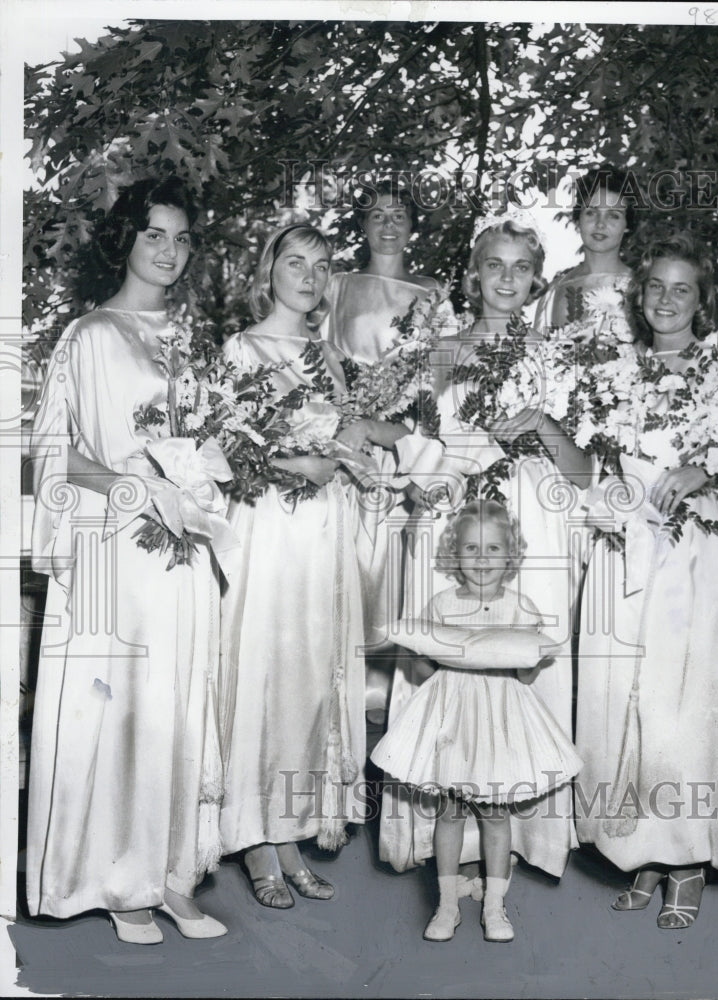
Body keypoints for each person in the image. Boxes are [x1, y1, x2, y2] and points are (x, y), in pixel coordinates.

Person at [27, 177, 227, 944]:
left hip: (184, 552)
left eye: (182, 238)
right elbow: (56, 452)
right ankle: (120, 880)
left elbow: (213, 440)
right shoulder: (90, 335)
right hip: (118, 545)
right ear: (127, 239)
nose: (170, 251)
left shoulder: (190, 340)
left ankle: (172, 872)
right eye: (156, 235)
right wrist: (138, 490)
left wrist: (205, 478)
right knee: (123, 704)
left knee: (176, 703)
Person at [380, 209, 589, 886]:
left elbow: (583, 473)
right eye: (493, 265)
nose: (506, 279)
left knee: (521, 667)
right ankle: (446, 840)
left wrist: (544, 425)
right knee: (449, 669)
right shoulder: (437, 353)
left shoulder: (555, 356)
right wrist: (430, 475)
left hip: (531, 517)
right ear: (473, 275)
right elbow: (407, 449)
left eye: (521, 268)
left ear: (536, 282)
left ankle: (525, 836)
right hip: (453, 522)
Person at [575, 233, 718, 929]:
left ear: (702, 300)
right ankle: (640, 853)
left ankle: (685, 861)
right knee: (623, 703)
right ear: (638, 293)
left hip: (690, 562)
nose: (664, 298)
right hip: (626, 555)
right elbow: (596, 469)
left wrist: (702, 471)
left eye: (680, 288)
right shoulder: (612, 371)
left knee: (679, 709)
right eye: (654, 285)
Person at [219, 223, 383, 908]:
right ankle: (255, 839)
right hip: (269, 530)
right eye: (295, 262)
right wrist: (299, 463)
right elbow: (225, 448)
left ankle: (287, 832)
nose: (309, 276)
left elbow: (346, 433)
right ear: (270, 270)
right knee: (266, 674)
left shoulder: (326, 355)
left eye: (321, 266)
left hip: (323, 530)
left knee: (310, 681)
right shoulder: (241, 348)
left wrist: (356, 460)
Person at [372, 501, 582, 942]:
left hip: (500, 719)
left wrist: (534, 654)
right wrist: (420, 652)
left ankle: (494, 906)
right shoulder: (442, 603)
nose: (482, 559)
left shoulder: (519, 605)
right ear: (454, 553)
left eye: (493, 548)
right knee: (449, 811)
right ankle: (447, 905)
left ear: (510, 556)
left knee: (493, 811)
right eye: (471, 548)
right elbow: (429, 670)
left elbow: (524, 673)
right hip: (451, 716)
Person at [321, 180, 442, 720]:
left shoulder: (432, 294)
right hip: (346, 446)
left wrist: (394, 425)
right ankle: (334, 706)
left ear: (413, 225)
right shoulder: (339, 285)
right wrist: (350, 417)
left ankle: (387, 715)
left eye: (399, 215)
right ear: (362, 224)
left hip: (401, 447)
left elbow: (438, 381)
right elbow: (317, 357)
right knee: (341, 572)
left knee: (392, 579)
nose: (388, 225)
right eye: (376, 215)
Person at [534, 165, 635, 340]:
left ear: (627, 225)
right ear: (578, 218)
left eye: (613, 215)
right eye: (591, 213)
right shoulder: (555, 291)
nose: (600, 224)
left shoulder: (640, 287)